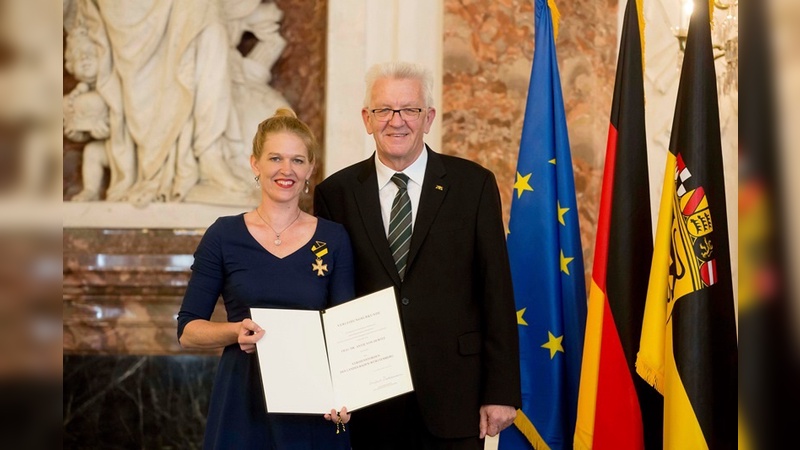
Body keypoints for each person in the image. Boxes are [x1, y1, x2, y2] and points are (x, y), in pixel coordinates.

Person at [314, 61, 521, 449]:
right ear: (366, 118)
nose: (397, 121)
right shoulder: (335, 194)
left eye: (409, 109)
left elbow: (496, 289)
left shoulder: (472, 184)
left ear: (428, 118)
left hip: (455, 396)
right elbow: (328, 296)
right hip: (369, 403)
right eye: (384, 110)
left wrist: (501, 390)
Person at [177, 108, 354, 449]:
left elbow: (345, 331)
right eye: (275, 158)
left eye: (297, 160)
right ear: (255, 164)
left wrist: (348, 397)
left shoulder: (334, 238)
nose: (286, 170)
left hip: (313, 406)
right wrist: (234, 330)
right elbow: (187, 331)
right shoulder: (223, 235)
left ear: (311, 169)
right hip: (242, 403)